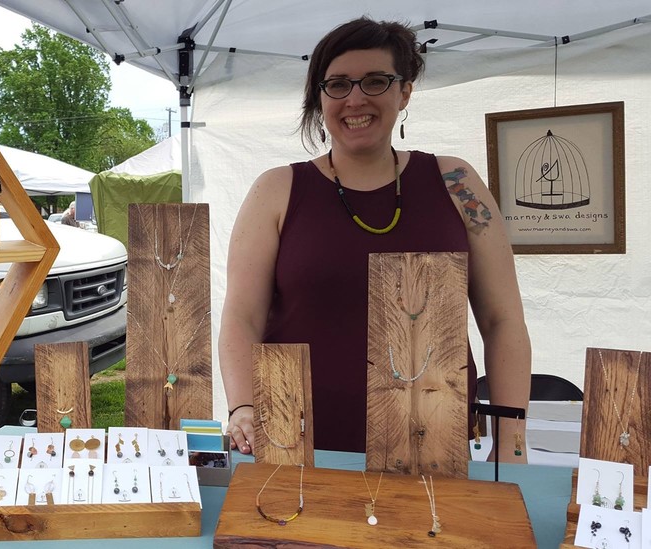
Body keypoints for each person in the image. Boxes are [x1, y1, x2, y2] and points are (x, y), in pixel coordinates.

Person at [219, 17, 532, 463]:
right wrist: (242, 407)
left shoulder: (457, 182)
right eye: (338, 85)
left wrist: (512, 441)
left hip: (430, 450)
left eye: (375, 81)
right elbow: (241, 317)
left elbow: (502, 321)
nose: (355, 99)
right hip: (297, 448)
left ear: (404, 92)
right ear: (319, 97)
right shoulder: (275, 190)